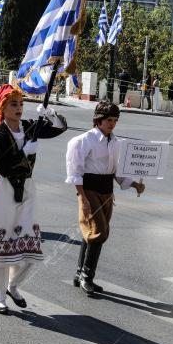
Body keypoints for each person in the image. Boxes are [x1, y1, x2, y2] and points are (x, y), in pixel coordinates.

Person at [0, 84, 67, 314]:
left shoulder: (27, 127)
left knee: (29, 248)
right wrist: (25, 152)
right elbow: (4, 167)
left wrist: (50, 114)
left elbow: (59, 128)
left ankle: (12, 286)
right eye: (13, 104)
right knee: (2, 249)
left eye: (21, 104)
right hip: (4, 193)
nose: (19, 108)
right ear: (3, 109)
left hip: (26, 191)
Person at [66, 101, 146, 295]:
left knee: (91, 234)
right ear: (98, 120)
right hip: (89, 190)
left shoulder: (116, 142)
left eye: (115, 120)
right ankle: (87, 277)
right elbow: (75, 172)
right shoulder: (83, 141)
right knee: (98, 232)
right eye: (109, 120)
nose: (112, 123)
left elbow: (117, 172)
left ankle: (79, 274)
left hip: (107, 192)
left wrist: (135, 184)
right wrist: (82, 198)